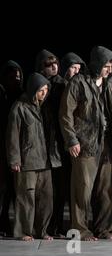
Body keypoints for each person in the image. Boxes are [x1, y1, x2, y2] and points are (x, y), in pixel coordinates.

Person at [60, 46, 112, 241]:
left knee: (106, 189)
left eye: (111, 66)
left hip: (106, 143)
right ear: (97, 64)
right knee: (82, 189)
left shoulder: (109, 83)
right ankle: (80, 229)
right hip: (85, 143)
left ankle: (105, 228)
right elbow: (65, 114)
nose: (109, 70)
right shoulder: (78, 83)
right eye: (106, 66)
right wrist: (72, 140)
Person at [6, 72, 53, 241]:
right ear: (33, 89)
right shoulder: (19, 107)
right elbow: (12, 135)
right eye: (41, 90)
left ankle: (42, 230)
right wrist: (14, 159)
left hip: (45, 161)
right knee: (26, 198)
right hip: (27, 161)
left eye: (46, 90)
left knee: (46, 199)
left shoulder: (44, 108)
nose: (44, 93)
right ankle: (23, 231)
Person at [36, 50, 65, 237]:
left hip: (59, 142)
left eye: (55, 63)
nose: (54, 67)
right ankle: (42, 226)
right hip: (41, 141)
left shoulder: (63, 85)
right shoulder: (36, 85)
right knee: (42, 189)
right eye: (49, 64)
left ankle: (58, 225)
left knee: (59, 187)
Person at [0, 60, 23, 237]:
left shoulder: (20, 97)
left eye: (18, 76)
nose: (15, 80)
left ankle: (13, 224)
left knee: (14, 189)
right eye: (11, 77)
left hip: (15, 149)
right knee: (3, 189)